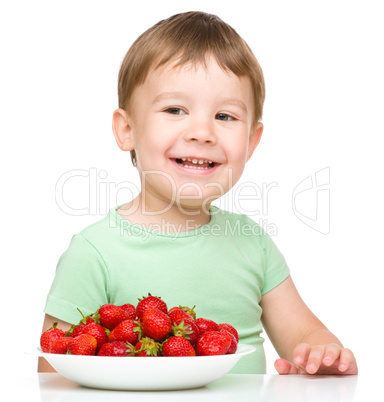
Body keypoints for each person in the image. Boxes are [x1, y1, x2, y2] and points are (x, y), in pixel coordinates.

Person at [39, 11, 357, 375]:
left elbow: (304, 333)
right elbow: (54, 374)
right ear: (127, 129)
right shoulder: (94, 252)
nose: (202, 132)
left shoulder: (253, 243)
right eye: (175, 109)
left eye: (225, 116)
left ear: (251, 142)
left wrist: (322, 356)